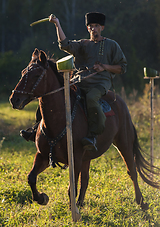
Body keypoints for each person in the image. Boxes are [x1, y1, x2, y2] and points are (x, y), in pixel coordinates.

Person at [21, 12, 127, 151]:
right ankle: (36, 129)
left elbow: (122, 67)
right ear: (87, 29)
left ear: (102, 27)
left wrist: (104, 67)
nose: (93, 29)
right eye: (91, 26)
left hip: (100, 83)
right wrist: (57, 24)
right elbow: (65, 45)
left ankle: (93, 135)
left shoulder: (112, 45)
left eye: (96, 26)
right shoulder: (82, 44)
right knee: (52, 95)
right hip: (79, 80)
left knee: (91, 98)